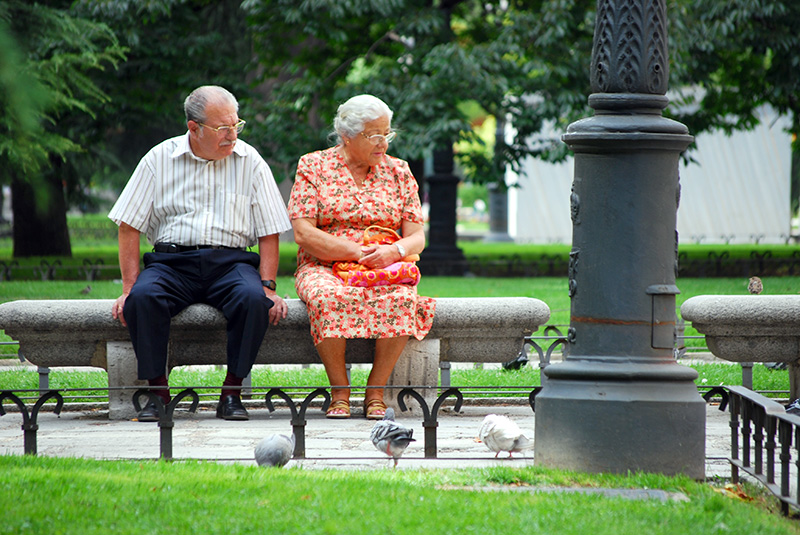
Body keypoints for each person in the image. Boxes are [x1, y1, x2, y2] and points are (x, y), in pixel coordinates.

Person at [108, 85, 292, 422]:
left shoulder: (250, 161)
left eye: (237, 125)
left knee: (254, 301)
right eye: (223, 128)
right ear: (194, 128)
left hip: (231, 262)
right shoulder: (158, 159)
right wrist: (128, 288)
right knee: (143, 299)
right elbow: (128, 225)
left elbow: (269, 230)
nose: (232, 135)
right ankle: (158, 395)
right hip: (171, 263)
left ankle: (232, 394)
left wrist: (268, 286)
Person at [288, 94, 436, 420]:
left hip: (386, 266)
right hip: (324, 265)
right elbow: (303, 233)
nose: (383, 142)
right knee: (328, 297)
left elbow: (417, 237)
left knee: (401, 297)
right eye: (374, 135)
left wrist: (392, 252)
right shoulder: (314, 166)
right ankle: (340, 391)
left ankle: (375, 392)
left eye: (387, 133)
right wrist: (357, 252)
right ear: (347, 136)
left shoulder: (399, 172)